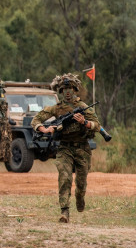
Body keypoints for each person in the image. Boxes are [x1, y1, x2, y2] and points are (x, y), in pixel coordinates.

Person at [31, 73, 101, 223]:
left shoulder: (83, 107)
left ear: (75, 89)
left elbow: (97, 126)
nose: (67, 91)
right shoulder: (56, 109)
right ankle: (64, 211)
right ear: (61, 91)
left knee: (81, 183)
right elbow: (36, 120)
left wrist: (84, 122)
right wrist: (44, 129)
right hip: (64, 148)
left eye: (70, 88)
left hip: (82, 148)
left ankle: (80, 198)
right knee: (65, 178)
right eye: (64, 89)